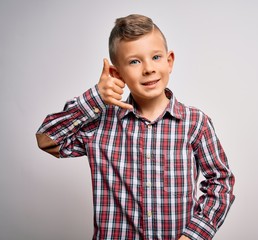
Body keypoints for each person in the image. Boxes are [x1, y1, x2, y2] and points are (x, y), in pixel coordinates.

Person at [36, 14, 235, 240]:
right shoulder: (99, 123)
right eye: (134, 61)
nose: (148, 69)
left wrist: (193, 236)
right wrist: (95, 98)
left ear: (169, 61)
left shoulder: (195, 123)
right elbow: (46, 140)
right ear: (117, 73)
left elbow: (221, 183)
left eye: (156, 57)